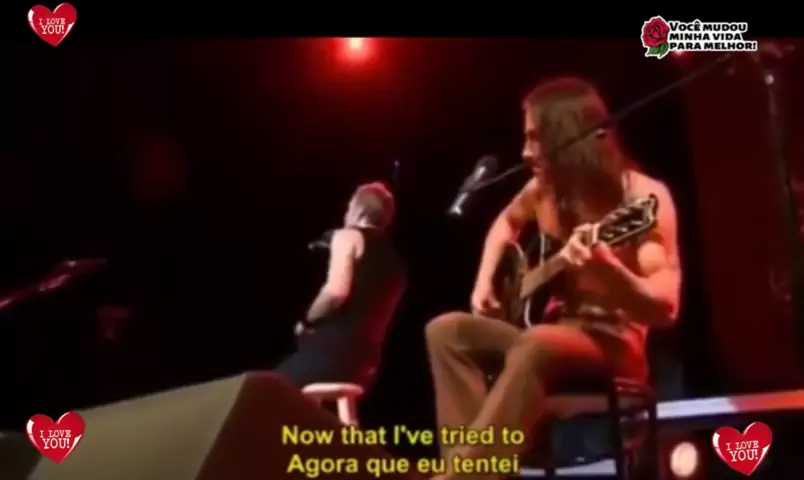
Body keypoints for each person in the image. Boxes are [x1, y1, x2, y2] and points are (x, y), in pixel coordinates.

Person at [425, 77, 682, 479]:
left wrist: (609, 272)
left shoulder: (643, 199)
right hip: (552, 335)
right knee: (447, 331)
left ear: (567, 135)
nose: (525, 152)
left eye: (534, 138)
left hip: (614, 344)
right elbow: (505, 224)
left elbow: (665, 307)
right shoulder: (544, 190)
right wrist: (484, 281)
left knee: (538, 343)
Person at [276, 182, 406, 388]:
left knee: (262, 389)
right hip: (366, 365)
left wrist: (307, 322)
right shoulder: (396, 262)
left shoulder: (348, 236)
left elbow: (335, 293)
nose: (346, 214)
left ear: (358, 210)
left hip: (332, 355)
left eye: (348, 208)